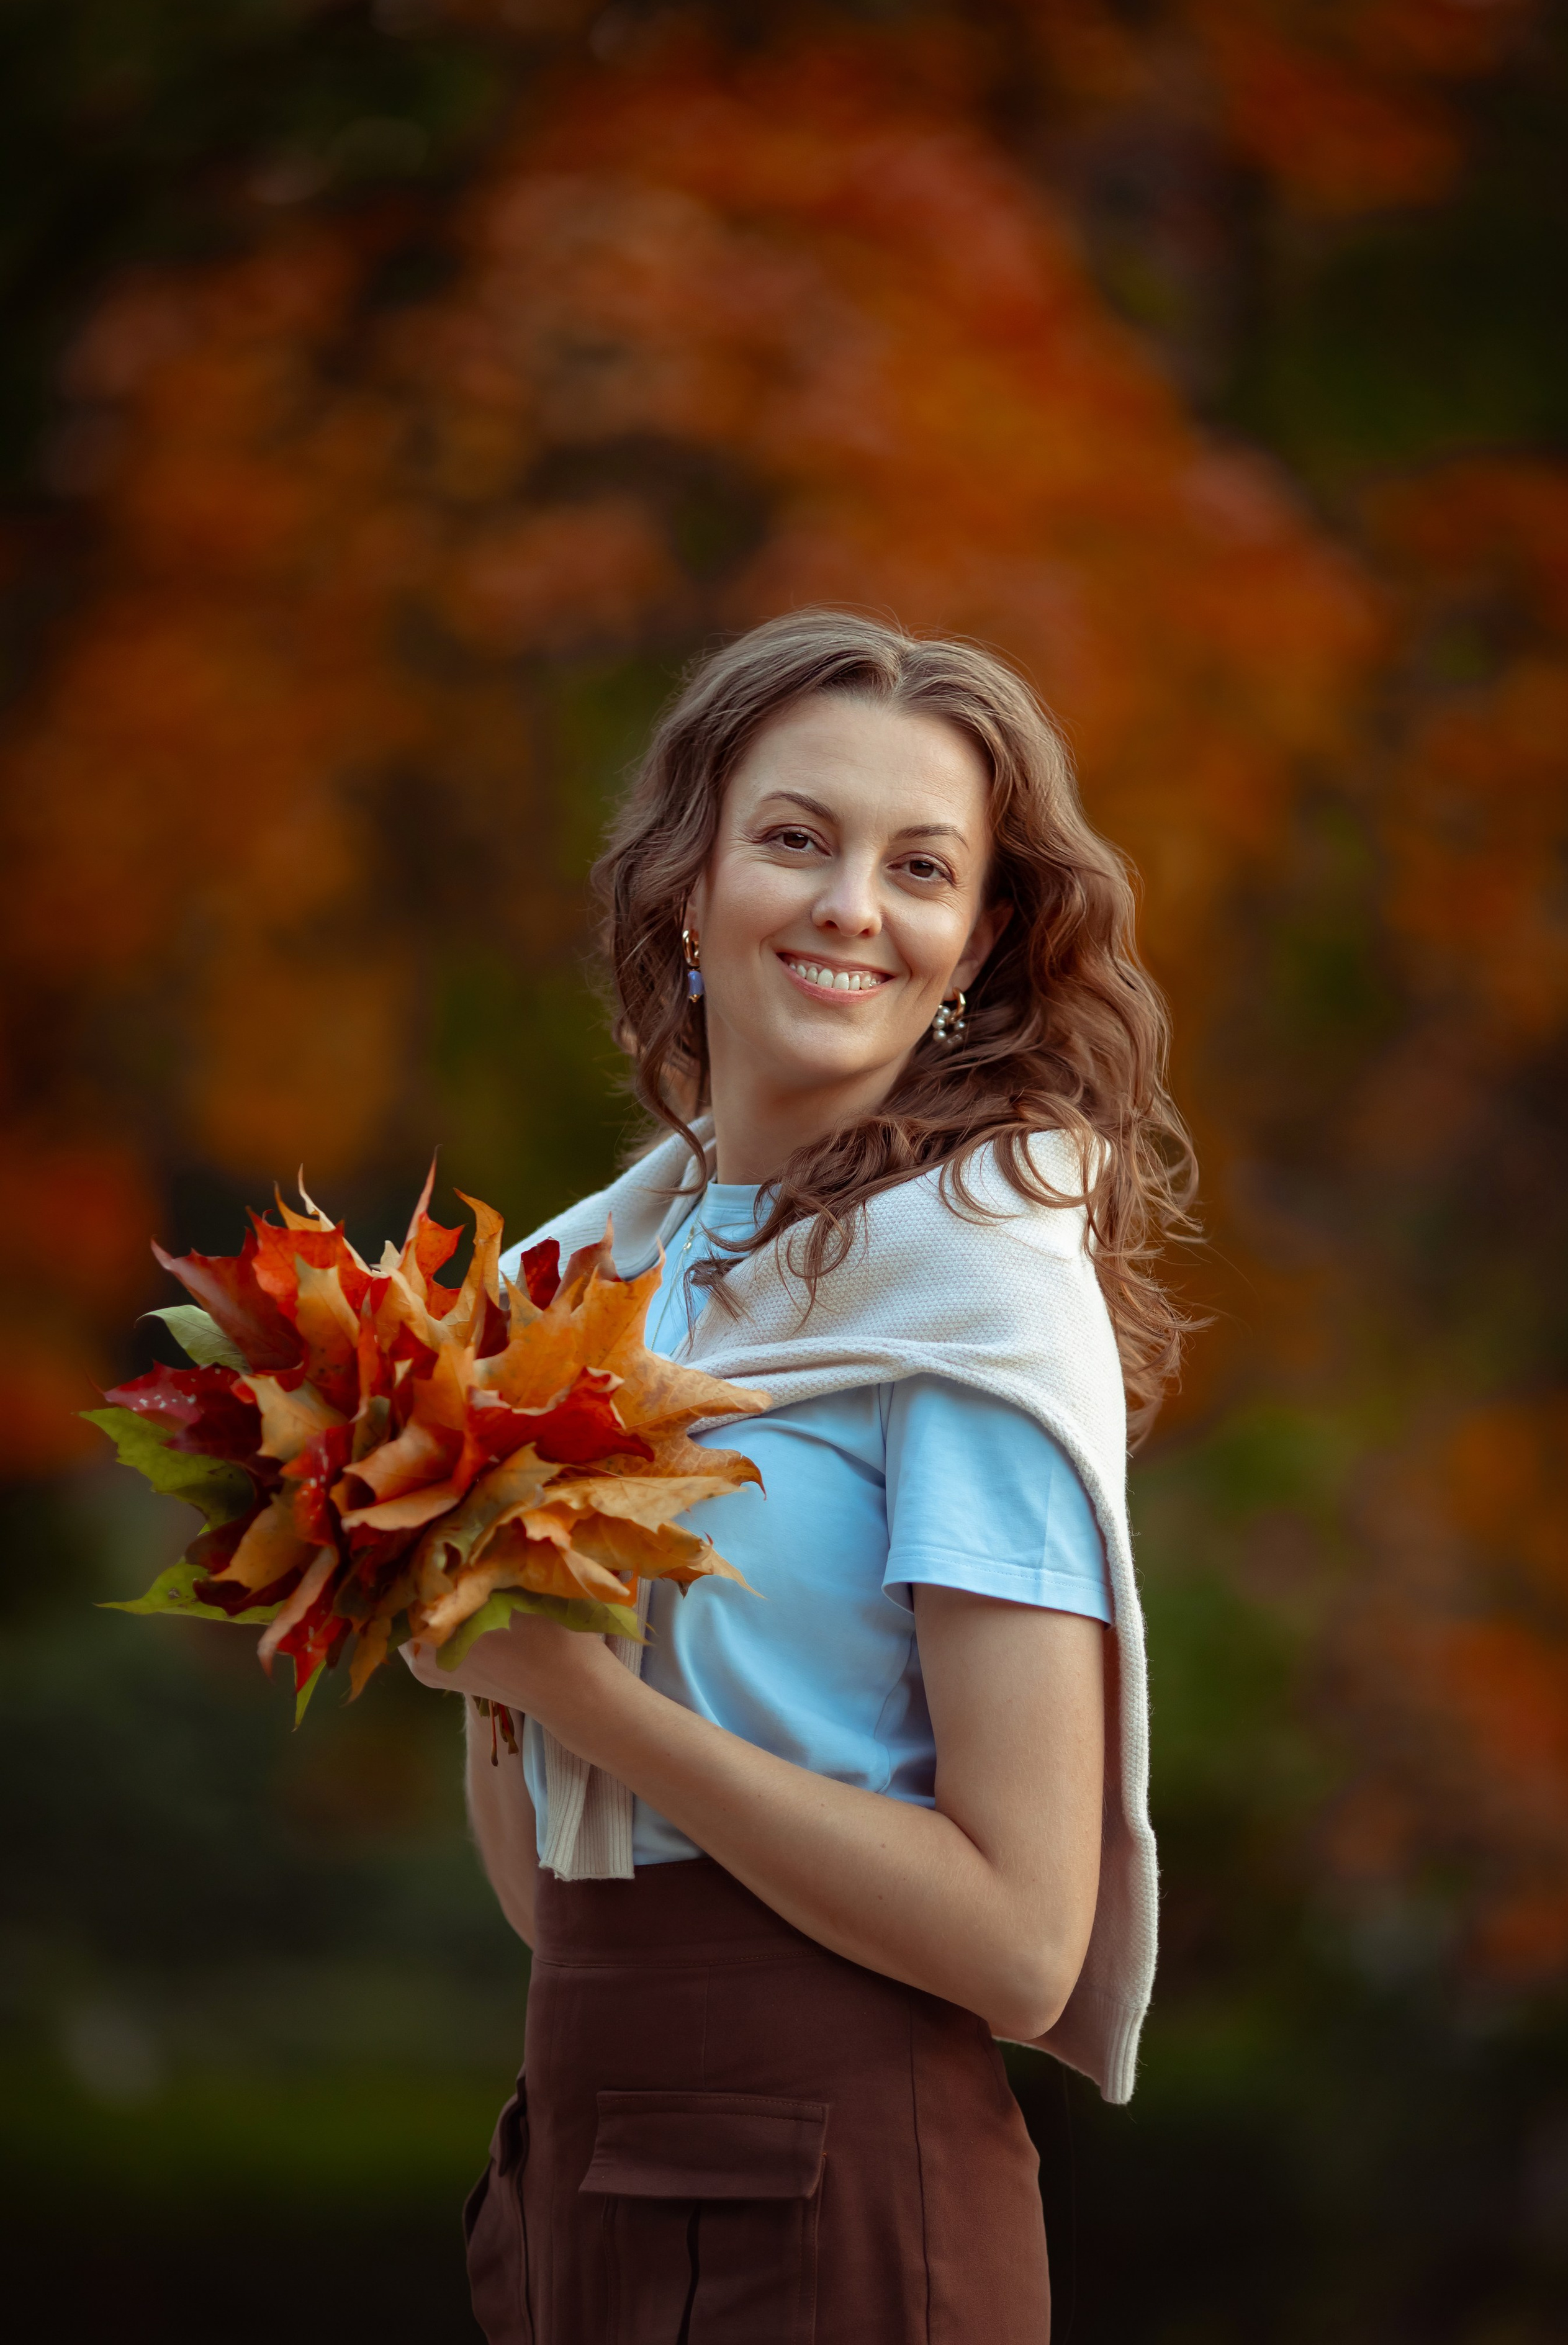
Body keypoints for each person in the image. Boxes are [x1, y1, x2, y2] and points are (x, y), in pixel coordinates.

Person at [406, 610, 1194, 2344]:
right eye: (795, 838)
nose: (853, 905)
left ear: (976, 942)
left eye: (921, 867)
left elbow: (1018, 1940)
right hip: (588, 2161)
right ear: (688, 883)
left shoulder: (968, 1305)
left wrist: (588, 1704)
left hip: (840, 2202)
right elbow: (563, 1898)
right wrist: (485, 1680)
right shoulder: (577, 1298)